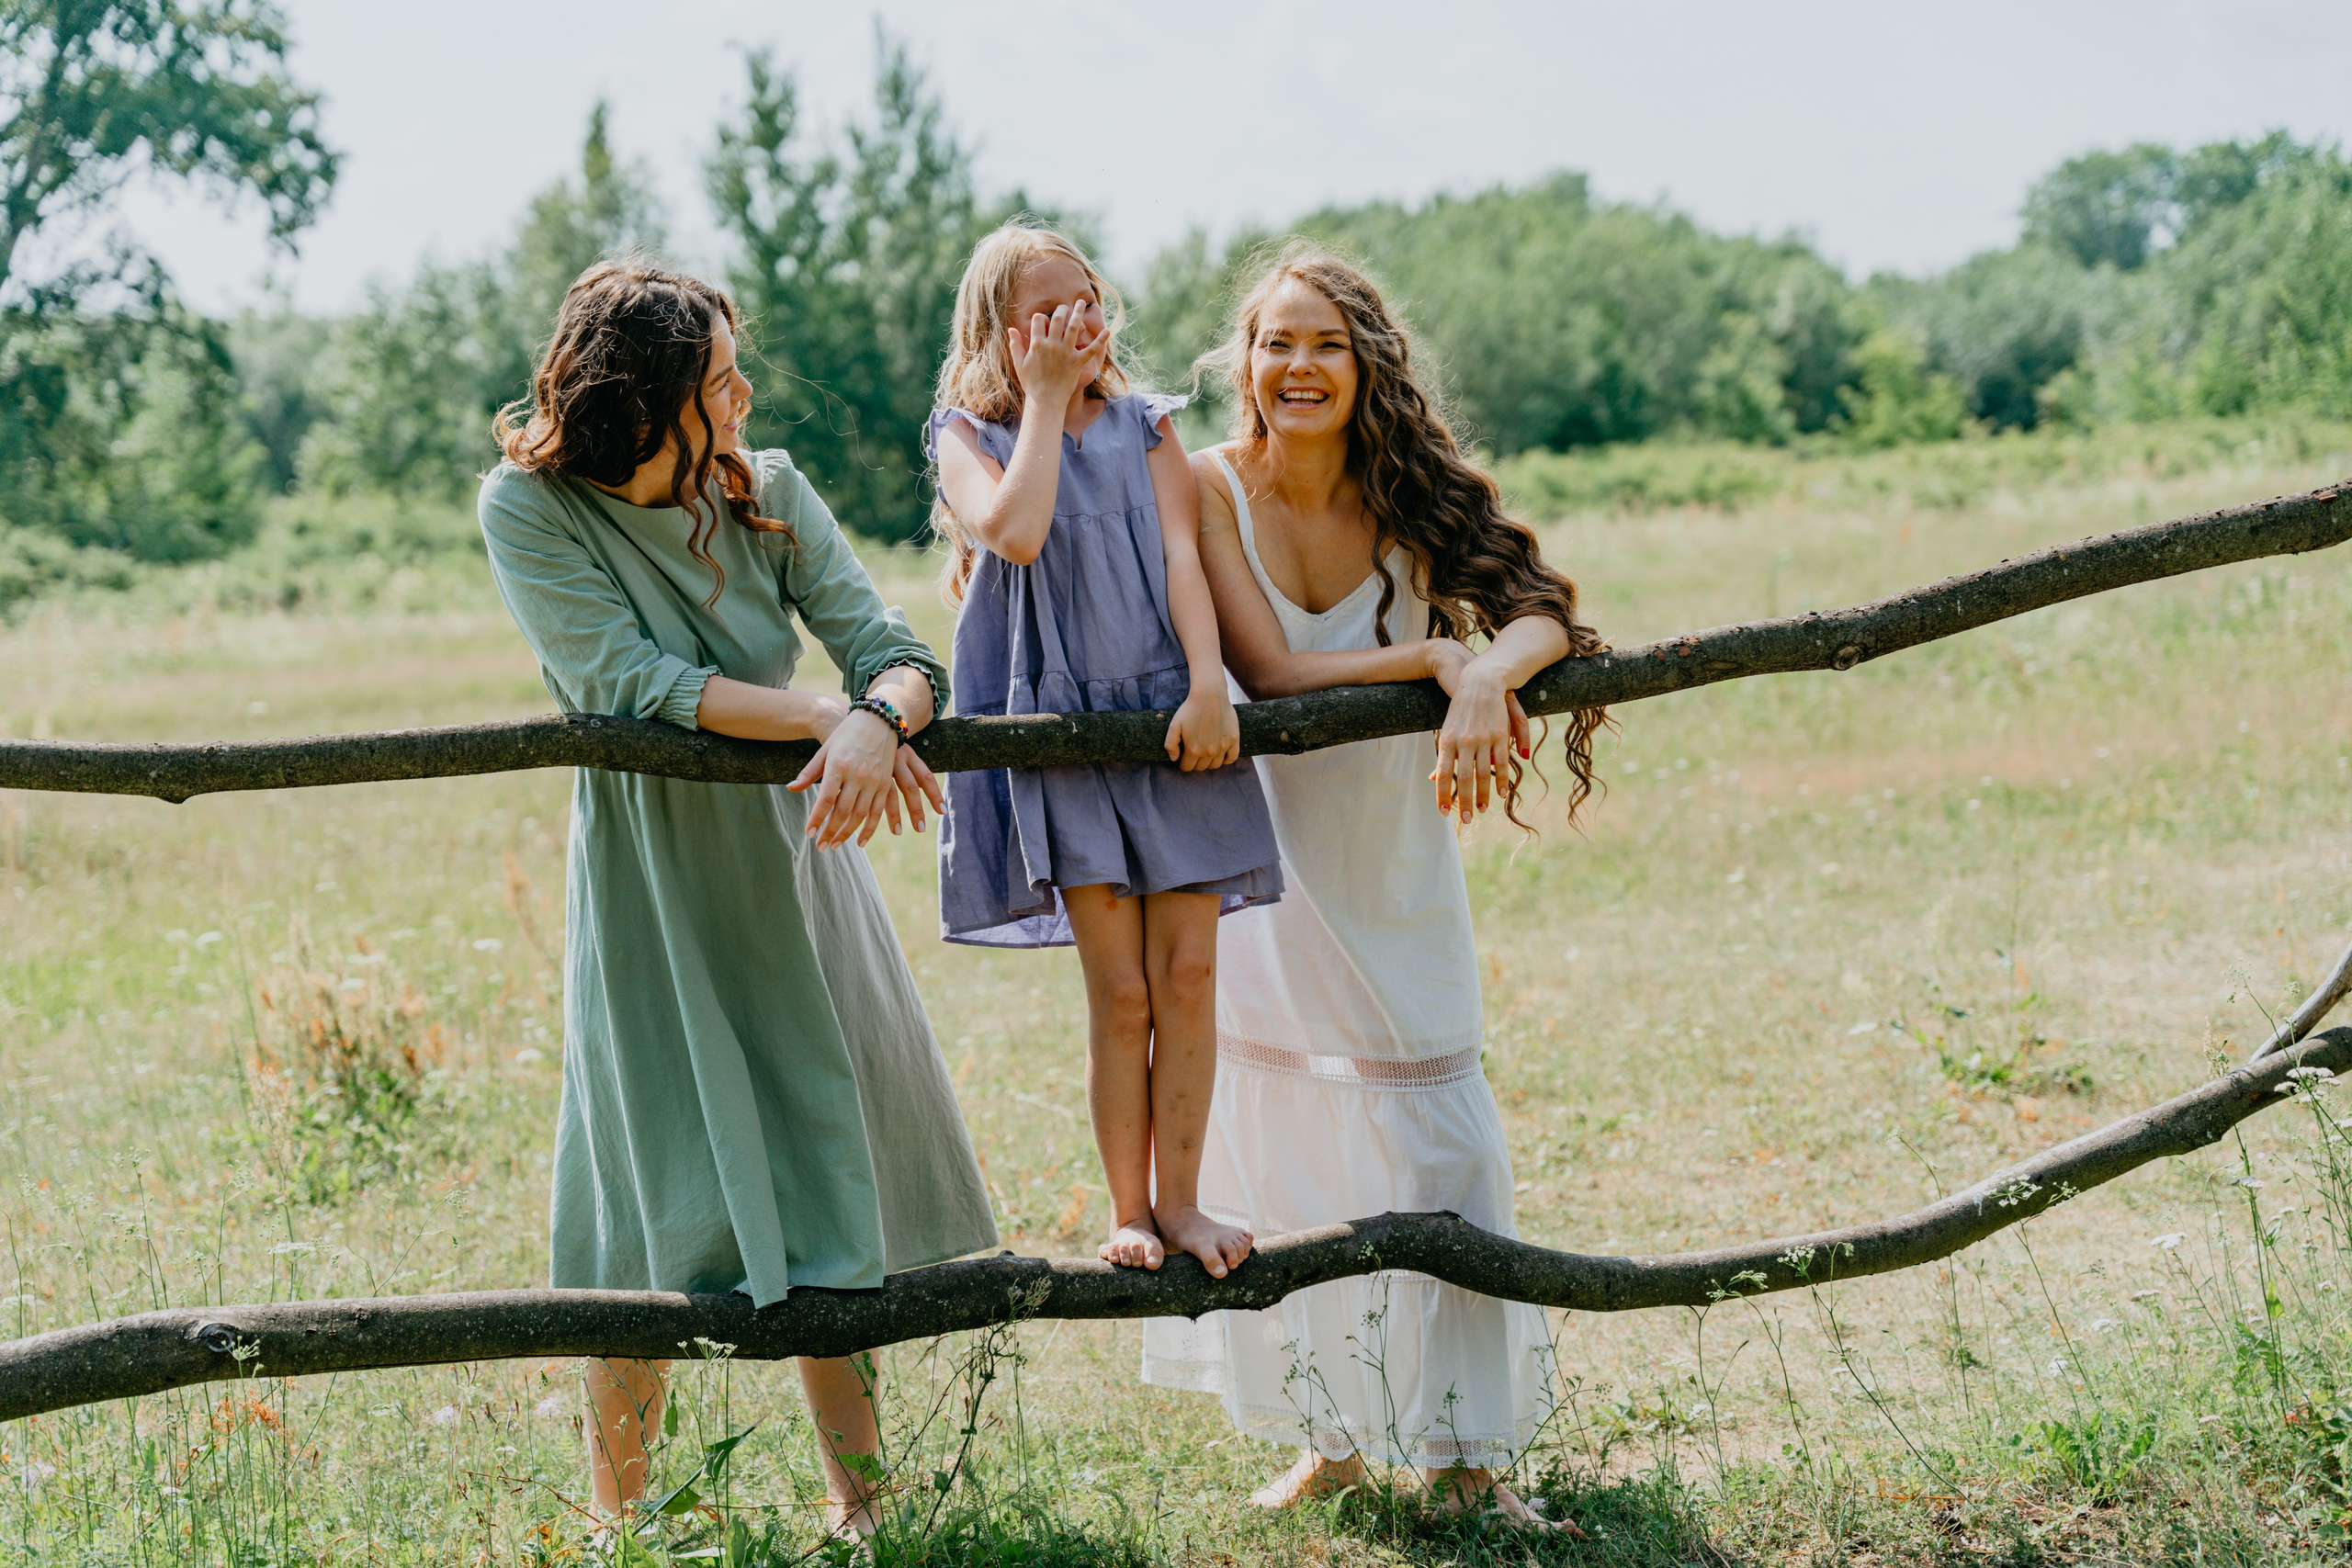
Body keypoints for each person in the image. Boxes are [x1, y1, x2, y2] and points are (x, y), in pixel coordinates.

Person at [477, 260, 997, 1544]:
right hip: (652, 874)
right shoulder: (530, 507)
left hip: (797, 853)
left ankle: (864, 1506)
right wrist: (829, 712)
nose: (747, 391)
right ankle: (625, 1514)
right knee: (645, 1166)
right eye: (720, 378)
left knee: (824, 1136)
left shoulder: (768, 489)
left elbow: (901, 652)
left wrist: (876, 715)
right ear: (645, 399)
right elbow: (625, 676)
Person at [1139, 245, 1608, 1529]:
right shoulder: (1207, 484)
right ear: (1245, 363)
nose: (1297, 367)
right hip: (1264, 868)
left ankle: (1468, 1458)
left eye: (1325, 344)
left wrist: (1482, 674)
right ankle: (1327, 1431)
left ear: (1367, 366)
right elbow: (1277, 669)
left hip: (1395, 857)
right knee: (1292, 1145)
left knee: (1440, 1134)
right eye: (1276, 344)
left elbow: (1545, 612)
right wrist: (1439, 657)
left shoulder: (1415, 492)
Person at [928, 223, 1282, 1279]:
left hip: (1171, 715)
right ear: (1000, 331)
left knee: (1188, 972)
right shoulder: (968, 434)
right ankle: (1129, 1205)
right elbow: (1018, 531)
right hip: (1061, 733)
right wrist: (1039, 398)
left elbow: (1183, 556)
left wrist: (1209, 682)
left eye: (1083, 302)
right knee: (1121, 993)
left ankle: (1185, 1200)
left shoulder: (1148, 426)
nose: (1073, 326)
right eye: (1045, 311)